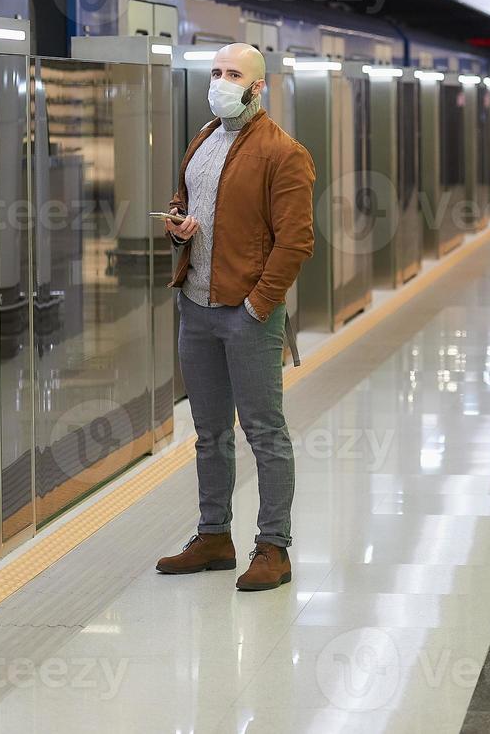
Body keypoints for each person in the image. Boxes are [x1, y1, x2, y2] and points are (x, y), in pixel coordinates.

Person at [156, 42, 315, 591]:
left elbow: (296, 242)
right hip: (196, 309)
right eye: (216, 72)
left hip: (247, 315)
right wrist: (177, 225)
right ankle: (214, 536)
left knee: (265, 433)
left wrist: (257, 305)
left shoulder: (283, 152)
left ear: (258, 87)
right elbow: (185, 203)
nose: (221, 82)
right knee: (209, 433)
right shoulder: (202, 139)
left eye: (234, 75)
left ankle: (273, 547)